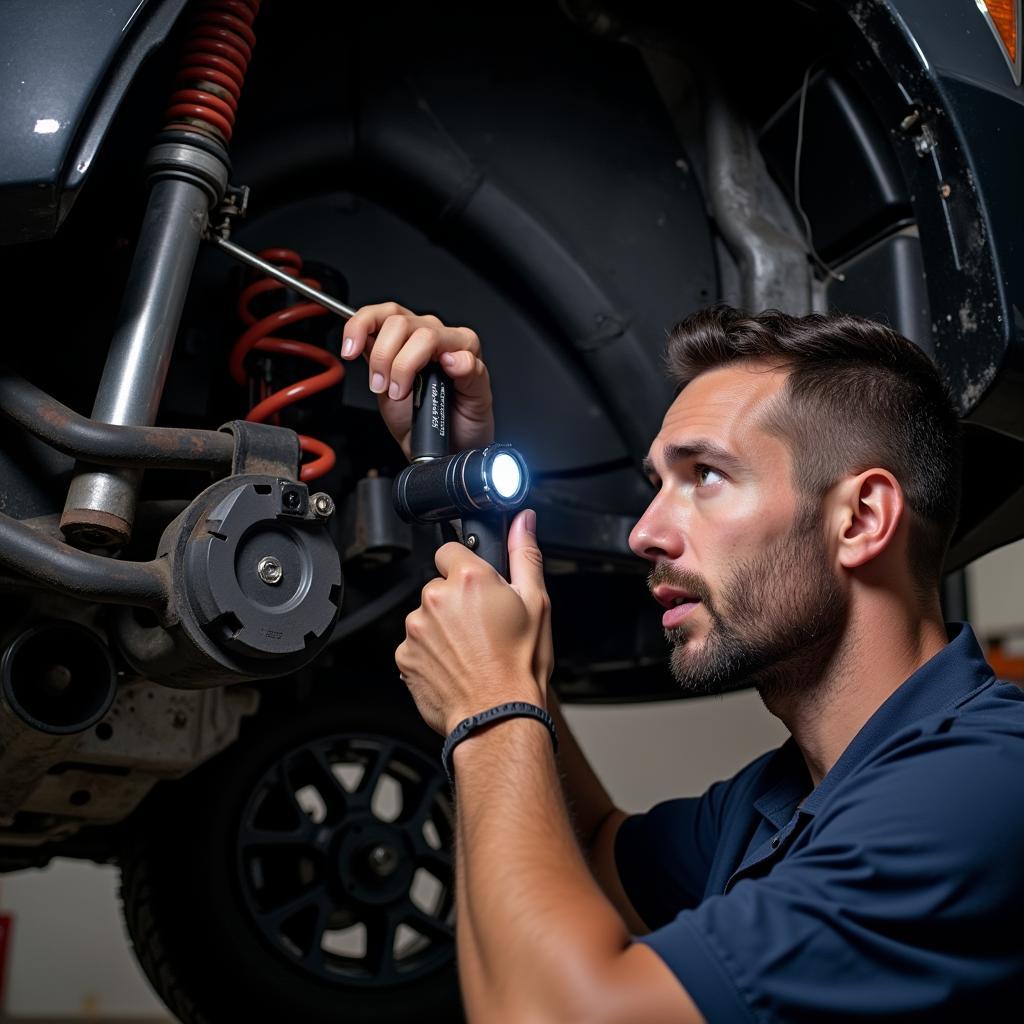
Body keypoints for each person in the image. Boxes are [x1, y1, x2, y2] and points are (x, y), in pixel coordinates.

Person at [338, 301, 1024, 1023]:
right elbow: (597, 856)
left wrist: (489, 707)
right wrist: (469, 512)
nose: (643, 533)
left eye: (705, 476)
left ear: (860, 519)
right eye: (658, 484)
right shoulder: (778, 798)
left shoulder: (982, 784)